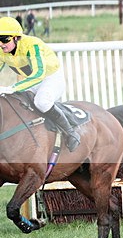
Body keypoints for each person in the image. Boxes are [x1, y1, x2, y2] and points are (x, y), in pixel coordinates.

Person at [0, 16, 80, 151]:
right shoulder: (1, 51)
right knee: (14, 101)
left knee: (41, 102)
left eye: (4, 39)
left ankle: (71, 132)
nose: (1, 44)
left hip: (51, 77)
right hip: (31, 81)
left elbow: (39, 74)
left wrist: (13, 88)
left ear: (16, 37)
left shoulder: (32, 44)